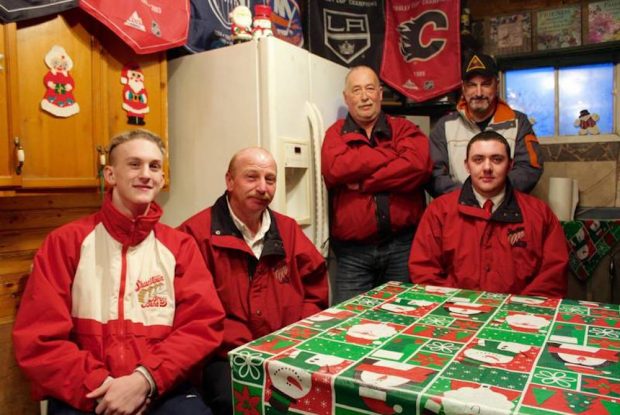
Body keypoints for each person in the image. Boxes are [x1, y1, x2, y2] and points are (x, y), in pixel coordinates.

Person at [13, 130, 225, 415]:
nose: (146, 174)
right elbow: (40, 340)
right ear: (111, 175)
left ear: (162, 180)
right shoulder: (65, 243)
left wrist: (143, 381)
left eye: (153, 166)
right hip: (84, 391)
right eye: (134, 164)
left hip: (160, 388)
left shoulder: (180, 246)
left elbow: (201, 326)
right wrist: (105, 389)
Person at [178, 147, 328, 415]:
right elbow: (190, 312)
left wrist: (295, 335)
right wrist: (251, 347)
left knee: (324, 395)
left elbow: (315, 290)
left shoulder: (288, 229)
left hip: (288, 348)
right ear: (229, 181)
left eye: (270, 179)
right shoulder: (194, 235)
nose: (262, 187)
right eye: (252, 177)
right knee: (240, 402)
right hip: (224, 356)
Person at [321, 65, 432, 304]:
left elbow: (418, 166)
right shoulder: (335, 134)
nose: (364, 96)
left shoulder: (403, 129)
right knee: (348, 324)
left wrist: (364, 183)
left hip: (402, 247)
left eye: (370, 88)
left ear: (380, 93)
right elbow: (336, 169)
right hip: (353, 255)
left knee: (404, 320)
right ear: (346, 97)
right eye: (357, 90)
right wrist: (389, 154)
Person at [409, 131, 568, 298]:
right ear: (467, 165)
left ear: (510, 165)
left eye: (497, 159)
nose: (487, 168)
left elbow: (552, 277)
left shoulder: (539, 214)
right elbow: (424, 271)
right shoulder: (439, 211)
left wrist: (519, 310)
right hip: (456, 313)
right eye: (478, 159)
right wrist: (460, 305)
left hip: (520, 316)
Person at [428, 53, 543, 197]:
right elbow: (434, 173)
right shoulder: (444, 126)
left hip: (506, 211)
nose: (478, 92)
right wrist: (467, 197)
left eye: (486, 84)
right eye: (471, 85)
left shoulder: (519, 123)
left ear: (497, 85)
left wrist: (495, 195)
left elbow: (529, 168)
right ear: (463, 88)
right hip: (457, 210)